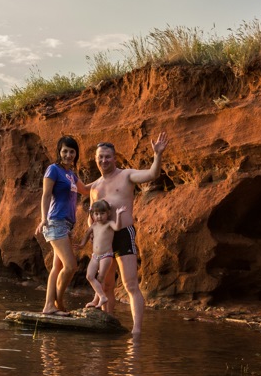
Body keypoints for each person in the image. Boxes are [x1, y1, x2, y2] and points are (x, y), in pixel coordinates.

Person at [87, 132, 168, 334]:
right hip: (102, 239)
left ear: (115, 158)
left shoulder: (126, 175)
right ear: (96, 159)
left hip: (123, 234)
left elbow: (152, 174)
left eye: (107, 156)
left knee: (130, 284)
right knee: (105, 284)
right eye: (100, 157)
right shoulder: (95, 186)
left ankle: (136, 331)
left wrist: (157, 155)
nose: (103, 160)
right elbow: (92, 213)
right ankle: (107, 324)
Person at [37, 136, 88, 315]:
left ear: (76, 154)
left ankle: (49, 306)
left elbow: (86, 190)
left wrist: (108, 179)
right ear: (59, 152)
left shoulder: (71, 175)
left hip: (67, 225)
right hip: (55, 222)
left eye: (72, 151)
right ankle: (57, 302)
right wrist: (44, 219)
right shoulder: (53, 170)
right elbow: (45, 195)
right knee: (71, 266)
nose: (68, 154)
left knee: (57, 268)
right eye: (65, 151)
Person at [77, 200, 127, 309]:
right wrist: (82, 244)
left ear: (108, 213)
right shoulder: (94, 225)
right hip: (95, 256)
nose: (99, 216)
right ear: (93, 215)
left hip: (106, 255)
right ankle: (102, 297)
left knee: (100, 278)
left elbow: (117, 227)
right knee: (89, 276)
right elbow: (87, 234)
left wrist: (118, 215)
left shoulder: (109, 224)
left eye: (102, 213)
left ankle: (98, 300)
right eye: (96, 214)